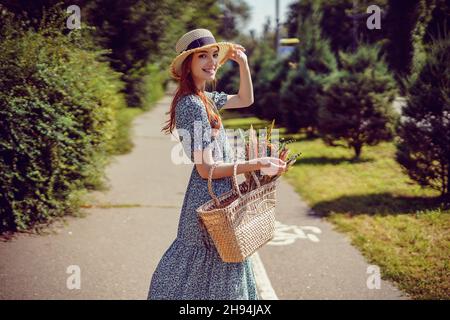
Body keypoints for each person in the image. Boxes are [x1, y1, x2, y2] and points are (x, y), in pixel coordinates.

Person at [148, 29, 286, 300]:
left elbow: (245, 99)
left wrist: (242, 63)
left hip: (219, 194)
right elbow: (206, 169)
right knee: (207, 270)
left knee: (219, 268)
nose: (211, 61)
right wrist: (255, 163)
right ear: (188, 64)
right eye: (202, 56)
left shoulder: (205, 99)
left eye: (214, 55)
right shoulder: (192, 105)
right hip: (208, 198)